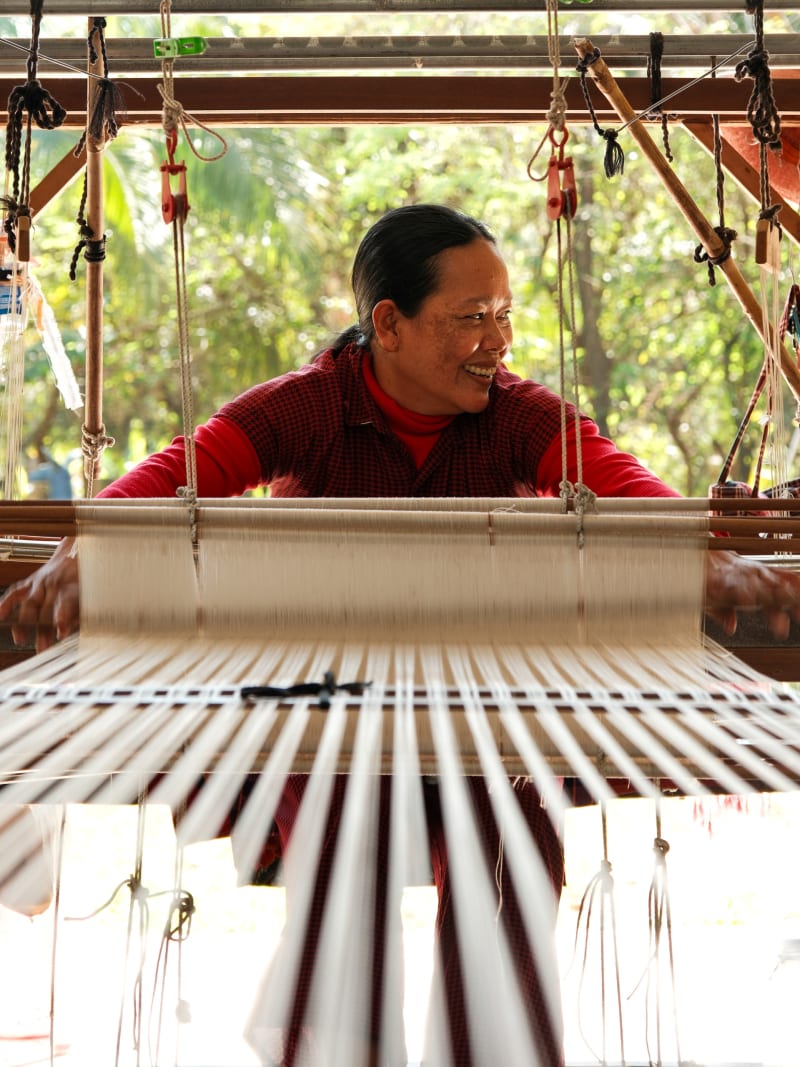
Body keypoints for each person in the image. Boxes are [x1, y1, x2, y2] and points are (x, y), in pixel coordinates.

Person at [1, 204, 800, 1066]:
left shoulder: (521, 416)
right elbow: (178, 474)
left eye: (504, 315)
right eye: (470, 319)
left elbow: (625, 488)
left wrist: (707, 565)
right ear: (388, 323)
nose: (496, 340)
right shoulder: (307, 408)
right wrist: (89, 552)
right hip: (336, 717)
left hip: (494, 714)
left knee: (509, 854)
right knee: (350, 865)